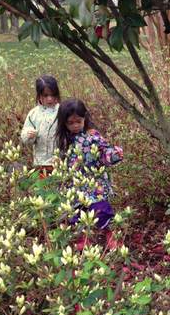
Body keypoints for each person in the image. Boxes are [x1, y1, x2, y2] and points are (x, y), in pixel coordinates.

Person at [55, 99, 123, 249]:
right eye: (70, 123)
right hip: (74, 184)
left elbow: (104, 151)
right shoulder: (64, 141)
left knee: (101, 209)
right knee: (76, 213)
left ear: (85, 118)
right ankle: (82, 241)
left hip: (94, 182)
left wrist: (114, 155)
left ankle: (112, 238)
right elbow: (61, 161)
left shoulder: (93, 136)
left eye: (78, 121)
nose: (75, 126)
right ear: (64, 123)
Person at [20, 75, 61, 177]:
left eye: (53, 95)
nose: (50, 99)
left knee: (60, 187)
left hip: (60, 161)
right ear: (39, 96)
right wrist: (29, 135)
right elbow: (25, 135)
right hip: (41, 162)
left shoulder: (62, 110)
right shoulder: (34, 114)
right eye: (46, 95)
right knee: (44, 189)